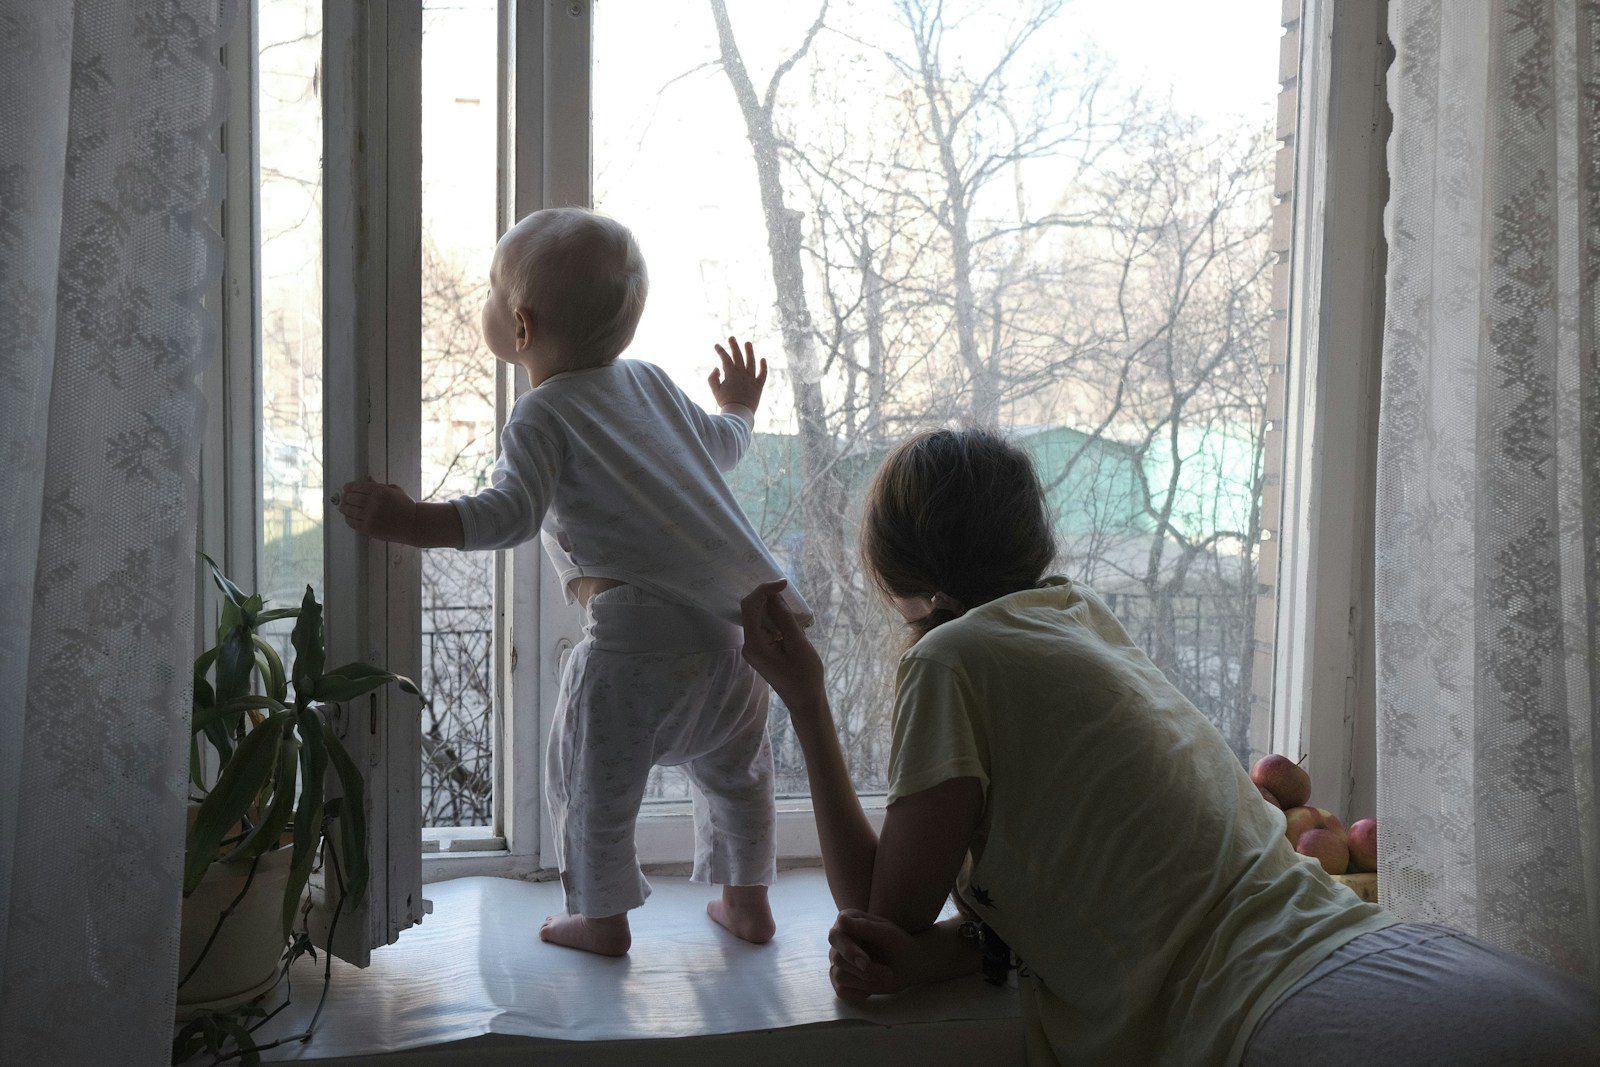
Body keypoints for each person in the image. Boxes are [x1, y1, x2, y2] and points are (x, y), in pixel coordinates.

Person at [737, 427, 1600, 1064]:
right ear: (1031, 541)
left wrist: (808, 704)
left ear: (895, 569)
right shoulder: (1079, 620)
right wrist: (965, 950)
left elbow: (878, 916)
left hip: (1272, 1004)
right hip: (1395, 956)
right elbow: (1104, 875)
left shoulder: (949, 658)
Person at [338, 207, 810, 956]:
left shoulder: (541, 414)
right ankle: (748, 901)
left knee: (591, 784)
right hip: (733, 638)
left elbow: (509, 515)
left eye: (492, 292)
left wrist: (409, 520)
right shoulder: (650, 384)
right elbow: (720, 446)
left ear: (519, 329)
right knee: (737, 775)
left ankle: (601, 916)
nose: (486, 302)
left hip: (634, 648)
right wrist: (741, 410)